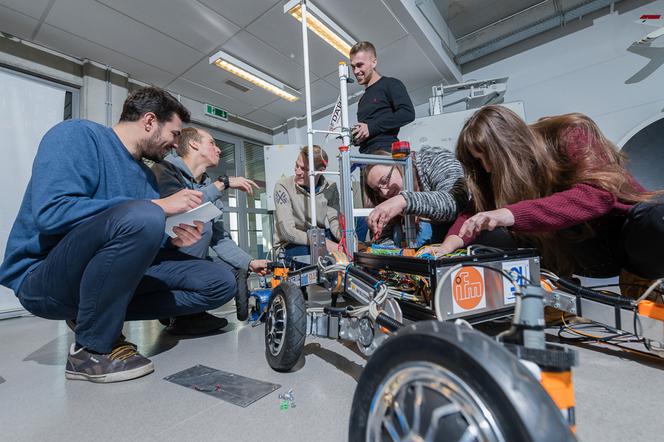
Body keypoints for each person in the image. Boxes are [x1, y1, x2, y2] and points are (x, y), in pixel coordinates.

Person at [0, 87, 237, 383]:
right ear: (150, 121)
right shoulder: (76, 135)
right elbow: (52, 213)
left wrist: (173, 238)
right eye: (175, 134)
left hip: (102, 277)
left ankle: (96, 313)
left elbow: (136, 234)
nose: (177, 146)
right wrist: (155, 207)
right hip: (43, 278)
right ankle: (90, 349)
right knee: (146, 213)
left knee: (219, 282)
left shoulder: (147, 175)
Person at [434, 105, 664, 289]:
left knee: (656, 216)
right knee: (506, 232)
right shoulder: (500, 176)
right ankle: (553, 289)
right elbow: (474, 213)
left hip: (630, 238)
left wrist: (511, 213)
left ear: (508, 145)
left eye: (488, 159)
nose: (487, 169)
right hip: (588, 259)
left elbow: (600, 194)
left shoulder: (570, 132)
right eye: (479, 162)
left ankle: (640, 277)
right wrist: (448, 245)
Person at [152, 127, 269, 327]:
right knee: (201, 224)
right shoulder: (164, 169)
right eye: (212, 143)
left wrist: (249, 263)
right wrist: (222, 183)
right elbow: (182, 209)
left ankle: (182, 309)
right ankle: (183, 315)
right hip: (160, 259)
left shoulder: (208, 186)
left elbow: (220, 239)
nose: (219, 149)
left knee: (232, 266)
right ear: (194, 144)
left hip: (191, 261)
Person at [363, 146, 467, 244]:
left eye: (385, 180)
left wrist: (404, 201)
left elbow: (455, 202)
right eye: (377, 189)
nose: (384, 193)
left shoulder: (435, 159)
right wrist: (389, 250)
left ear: (397, 164)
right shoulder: (384, 194)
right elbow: (382, 237)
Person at [273, 145, 341, 261]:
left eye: (304, 169)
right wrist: (322, 243)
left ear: (321, 170)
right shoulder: (283, 186)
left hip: (319, 235)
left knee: (360, 223)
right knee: (320, 254)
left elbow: (334, 221)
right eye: (297, 165)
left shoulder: (331, 187)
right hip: (292, 243)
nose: (297, 172)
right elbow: (287, 232)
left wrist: (345, 241)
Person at [350, 41, 415, 154]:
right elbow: (368, 131)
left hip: (385, 153)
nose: (356, 71)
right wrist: (356, 137)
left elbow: (407, 113)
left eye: (360, 65)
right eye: (353, 66)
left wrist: (371, 127)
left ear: (374, 62)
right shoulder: (362, 100)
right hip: (365, 157)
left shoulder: (390, 84)